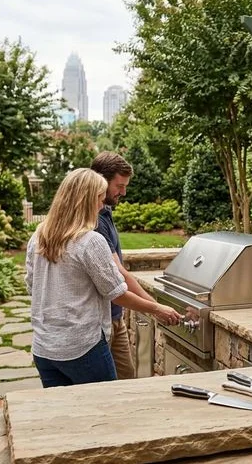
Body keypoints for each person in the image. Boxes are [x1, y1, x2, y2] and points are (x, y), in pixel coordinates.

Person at [25, 168, 179, 388]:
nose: (101, 205)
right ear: (86, 200)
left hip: (44, 349)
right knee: (108, 409)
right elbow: (117, 294)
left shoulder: (39, 235)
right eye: (99, 198)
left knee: (64, 416)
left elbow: (32, 285)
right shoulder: (90, 241)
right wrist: (157, 309)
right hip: (83, 348)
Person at [91, 151, 180, 379]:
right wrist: (155, 307)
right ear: (101, 181)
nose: (124, 192)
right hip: (102, 321)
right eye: (119, 185)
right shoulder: (96, 220)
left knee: (126, 379)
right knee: (114, 386)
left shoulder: (105, 210)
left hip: (114, 316)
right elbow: (118, 273)